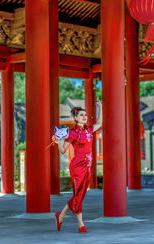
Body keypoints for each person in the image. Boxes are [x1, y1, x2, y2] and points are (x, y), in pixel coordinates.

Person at [52, 98, 102, 233]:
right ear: (75, 118)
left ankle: (60, 215)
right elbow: (63, 151)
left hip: (88, 167)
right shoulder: (72, 133)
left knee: (79, 195)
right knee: (78, 196)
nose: (84, 117)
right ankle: (81, 224)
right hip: (77, 168)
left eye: (85, 115)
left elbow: (100, 123)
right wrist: (57, 142)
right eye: (81, 115)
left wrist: (100, 107)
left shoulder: (89, 130)